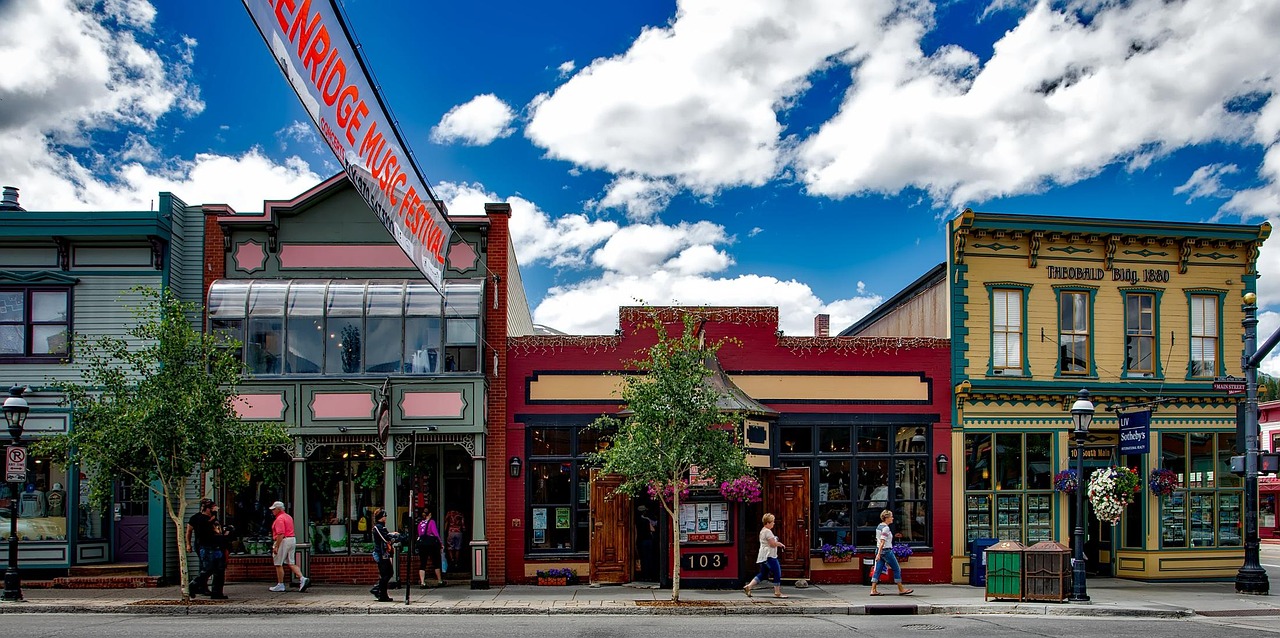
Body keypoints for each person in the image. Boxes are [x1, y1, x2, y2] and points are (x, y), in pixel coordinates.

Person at [742, 512, 788, 599]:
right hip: (769, 555)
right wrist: (780, 544)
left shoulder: (762, 531)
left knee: (763, 574)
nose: (773, 523)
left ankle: (749, 586)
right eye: (772, 522)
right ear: (768, 523)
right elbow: (772, 544)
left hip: (763, 556)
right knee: (777, 572)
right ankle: (777, 592)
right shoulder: (768, 532)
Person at [268, 500, 310, 593]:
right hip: (292, 539)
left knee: (278, 563)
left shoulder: (279, 519)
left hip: (283, 540)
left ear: (278, 509)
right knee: (291, 562)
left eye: (274, 509)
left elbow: (280, 533)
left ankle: (280, 584)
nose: (273, 511)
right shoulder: (288, 517)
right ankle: (302, 578)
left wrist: (276, 547)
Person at [870, 509, 912, 596]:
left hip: (879, 550)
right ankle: (901, 589)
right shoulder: (885, 528)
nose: (892, 518)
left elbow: (878, 540)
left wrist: (878, 553)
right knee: (896, 569)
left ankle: (873, 590)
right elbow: (882, 541)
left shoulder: (879, 526)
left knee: (878, 570)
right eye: (891, 517)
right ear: (887, 518)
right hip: (886, 551)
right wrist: (878, 555)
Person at [185, 498, 215, 596]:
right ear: (206, 508)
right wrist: (188, 544)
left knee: (206, 567)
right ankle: (194, 584)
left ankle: (201, 587)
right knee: (207, 567)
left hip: (212, 544)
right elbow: (189, 531)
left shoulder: (213, 517)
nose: (214, 509)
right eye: (212, 508)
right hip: (202, 544)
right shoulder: (196, 518)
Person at [370, 508, 401, 602]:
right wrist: (394, 537)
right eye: (384, 516)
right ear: (381, 517)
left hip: (385, 553)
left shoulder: (381, 527)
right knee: (386, 574)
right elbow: (385, 537)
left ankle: (378, 590)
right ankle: (381, 593)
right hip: (381, 554)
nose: (386, 518)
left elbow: (386, 535)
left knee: (389, 573)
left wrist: (392, 534)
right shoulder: (377, 527)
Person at [416, 509, 444, 587]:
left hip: (422, 544)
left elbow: (419, 534)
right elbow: (435, 533)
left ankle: (422, 582)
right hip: (431, 544)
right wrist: (440, 543)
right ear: (430, 514)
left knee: (423, 563)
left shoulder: (420, 524)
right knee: (436, 562)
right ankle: (439, 581)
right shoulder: (432, 522)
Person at [206, 519, 231, 599]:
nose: (218, 529)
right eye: (217, 527)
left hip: (218, 557)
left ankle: (217, 592)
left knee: (218, 575)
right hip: (217, 557)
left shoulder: (218, 538)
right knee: (218, 575)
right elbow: (225, 549)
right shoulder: (217, 538)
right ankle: (216, 592)